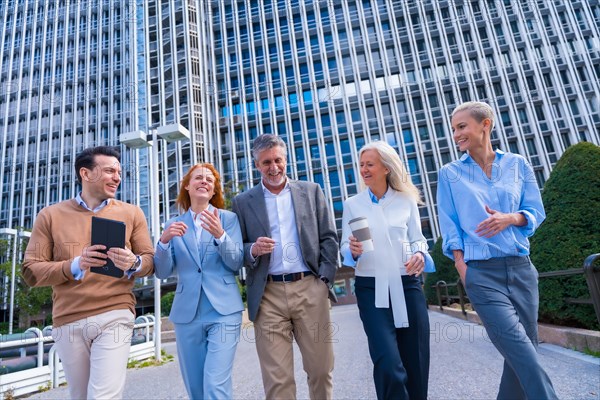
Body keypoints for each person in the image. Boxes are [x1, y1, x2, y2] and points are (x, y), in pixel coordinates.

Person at [437, 101, 557, 399]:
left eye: (462, 126)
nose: (456, 135)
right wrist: (463, 268)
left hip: (521, 269)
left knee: (522, 350)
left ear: (485, 124)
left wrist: (510, 218)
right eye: (454, 129)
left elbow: (534, 211)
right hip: (482, 274)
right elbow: (449, 226)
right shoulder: (450, 174)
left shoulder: (517, 164)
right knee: (521, 350)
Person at [22, 146, 154, 399]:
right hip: (68, 319)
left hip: (115, 312)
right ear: (86, 173)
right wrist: (75, 264)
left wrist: (133, 262)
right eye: (109, 171)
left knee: (102, 396)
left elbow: (149, 261)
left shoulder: (132, 213)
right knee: (81, 396)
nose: (117, 177)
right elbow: (31, 271)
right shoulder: (50, 216)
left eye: (119, 172)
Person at [231, 134, 338, 400]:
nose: (273, 167)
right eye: (266, 162)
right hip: (267, 296)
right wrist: (252, 249)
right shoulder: (242, 202)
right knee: (278, 381)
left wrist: (323, 280)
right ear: (257, 165)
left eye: (278, 160)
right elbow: (236, 249)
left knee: (321, 370)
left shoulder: (311, 191)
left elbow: (328, 237)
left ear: (286, 160)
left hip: (309, 288)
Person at [340, 141, 434, 400]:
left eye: (370, 164)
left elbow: (418, 238)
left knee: (415, 360)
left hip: (408, 285)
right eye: (361, 165)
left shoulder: (406, 201)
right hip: (371, 288)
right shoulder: (353, 204)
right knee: (388, 363)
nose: (364, 170)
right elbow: (345, 248)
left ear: (386, 168)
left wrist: (419, 254)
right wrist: (353, 251)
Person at [153, 163, 244, 399]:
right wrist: (163, 242)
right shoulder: (173, 225)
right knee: (196, 388)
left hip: (223, 311)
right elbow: (162, 272)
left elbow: (235, 263)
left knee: (215, 384)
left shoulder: (229, 219)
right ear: (187, 186)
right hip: (187, 315)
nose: (204, 181)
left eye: (209, 180)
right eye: (198, 178)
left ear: (213, 191)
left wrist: (220, 235)